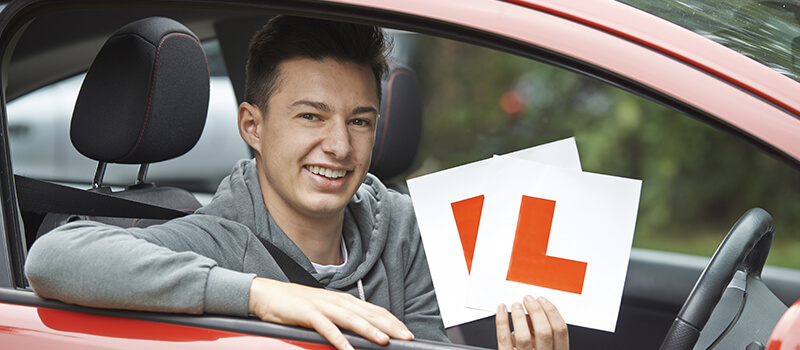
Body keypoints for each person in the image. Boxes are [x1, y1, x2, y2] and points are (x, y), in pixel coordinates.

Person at [24, 15, 568, 350]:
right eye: (311, 116)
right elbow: (54, 258)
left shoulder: (401, 228)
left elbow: (424, 343)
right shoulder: (219, 238)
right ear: (252, 127)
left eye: (359, 121)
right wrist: (263, 297)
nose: (339, 146)